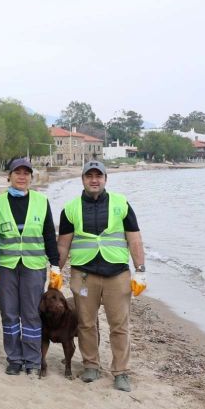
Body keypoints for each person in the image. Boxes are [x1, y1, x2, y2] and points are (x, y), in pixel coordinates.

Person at [57, 160, 146, 392]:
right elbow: (64, 244)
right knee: (86, 323)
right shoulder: (70, 208)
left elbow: (134, 238)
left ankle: (121, 372)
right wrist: (55, 269)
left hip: (117, 275)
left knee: (119, 325)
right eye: (90, 176)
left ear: (106, 179)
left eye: (99, 176)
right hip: (84, 275)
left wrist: (141, 270)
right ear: (83, 179)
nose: (94, 180)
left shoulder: (121, 204)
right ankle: (91, 366)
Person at [0, 158, 60, 376]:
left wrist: (56, 265)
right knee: (9, 314)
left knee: (31, 314)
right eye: (17, 172)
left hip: (33, 266)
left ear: (31, 177)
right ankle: (14, 358)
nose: (22, 177)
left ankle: (32, 360)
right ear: (9, 176)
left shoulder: (41, 201)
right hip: (6, 267)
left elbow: (49, 234)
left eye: (26, 173)